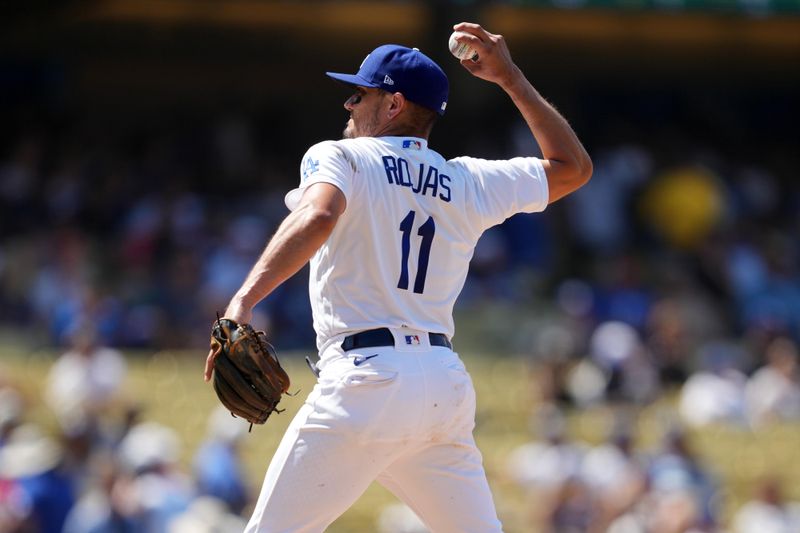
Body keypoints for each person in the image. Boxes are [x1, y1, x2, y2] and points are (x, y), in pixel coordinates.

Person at [204, 22, 591, 532]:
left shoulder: (339, 156)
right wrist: (512, 79)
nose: (348, 104)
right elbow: (573, 167)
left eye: (360, 93)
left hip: (366, 379)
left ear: (393, 105)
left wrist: (242, 302)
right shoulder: (467, 179)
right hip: (440, 387)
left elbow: (319, 215)